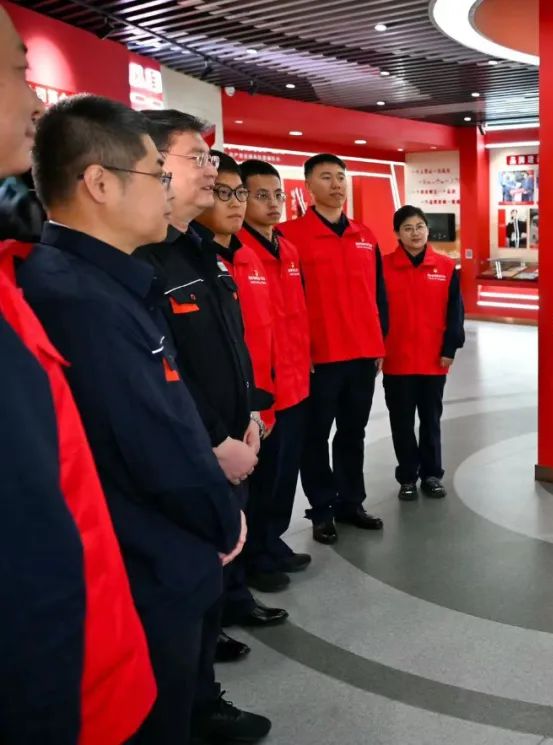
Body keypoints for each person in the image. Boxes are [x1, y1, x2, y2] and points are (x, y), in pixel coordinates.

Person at [15, 94, 247, 745]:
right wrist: (222, 518)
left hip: (163, 551)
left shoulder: (109, 282)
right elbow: (151, 445)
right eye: (157, 173)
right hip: (143, 561)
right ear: (100, 183)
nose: (169, 189)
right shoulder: (78, 299)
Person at [0, 22, 156, 743]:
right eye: (15, 70)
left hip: (97, 668)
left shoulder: (20, 278)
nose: (35, 101)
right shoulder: (70, 291)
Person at [135, 109, 275, 740]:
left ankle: (201, 698)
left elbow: (227, 348)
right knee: (183, 598)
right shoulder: (143, 261)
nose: (212, 171)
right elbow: (164, 374)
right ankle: (189, 710)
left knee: (210, 585)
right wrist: (216, 441)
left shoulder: (203, 253)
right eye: (197, 157)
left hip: (230, 444)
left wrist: (249, 414)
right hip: (195, 457)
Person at [278, 153, 388, 545]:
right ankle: (322, 508)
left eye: (340, 176)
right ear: (308, 185)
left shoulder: (365, 235)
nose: (336, 184)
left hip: (362, 354)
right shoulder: (289, 236)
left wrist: (380, 342)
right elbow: (285, 301)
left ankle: (351, 502)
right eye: (326, 177)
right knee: (315, 436)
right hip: (319, 358)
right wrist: (298, 351)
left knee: (353, 433)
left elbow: (378, 293)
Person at [237, 159, 313, 586]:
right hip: (264, 388)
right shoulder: (236, 252)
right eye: (261, 195)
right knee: (262, 477)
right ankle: (254, 555)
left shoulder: (288, 249)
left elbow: (298, 314)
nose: (273, 203)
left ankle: (273, 540)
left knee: (287, 471)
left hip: (296, 380)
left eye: (278, 194)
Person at [381, 205, 465, 500]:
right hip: (396, 360)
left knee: (431, 421)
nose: (414, 233)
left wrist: (450, 347)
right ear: (397, 233)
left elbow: (455, 312)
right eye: (407, 228)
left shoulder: (445, 267)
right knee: (401, 423)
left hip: (433, 360)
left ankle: (432, 474)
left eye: (419, 226)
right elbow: (375, 311)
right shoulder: (383, 266)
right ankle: (407, 476)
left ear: (427, 229)